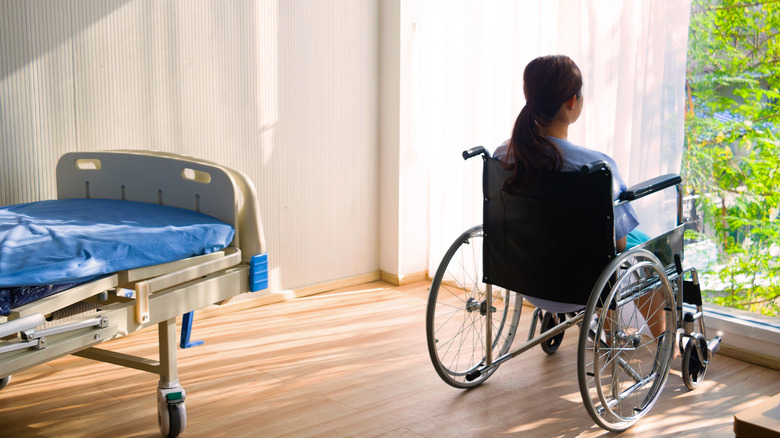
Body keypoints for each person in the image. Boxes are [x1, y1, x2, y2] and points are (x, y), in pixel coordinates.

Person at [494, 55, 663, 337]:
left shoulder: (504, 155)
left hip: (526, 279)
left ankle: (609, 333)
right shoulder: (597, 168)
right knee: (643, 248)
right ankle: (664, 346)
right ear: (572, 101)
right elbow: (618, 243)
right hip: (582, 288)